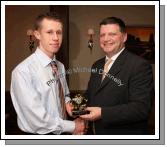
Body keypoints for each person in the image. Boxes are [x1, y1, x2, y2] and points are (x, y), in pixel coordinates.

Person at [10, 12, 85, 135]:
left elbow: (64, 94)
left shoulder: (59, 66)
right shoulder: (23, 72)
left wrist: (68, 104)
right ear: (37, 34)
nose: (56, 38)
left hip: (61, 131)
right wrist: (73, 126)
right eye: (49, 32)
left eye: (59, 32)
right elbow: (35, 119)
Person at [80, 17, 154, 135]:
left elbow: (141, 108)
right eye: (102, 35)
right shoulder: (97, 65)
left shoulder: (139, 65)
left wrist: (102, 113)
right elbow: (90, 94)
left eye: (112, 34)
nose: (106, 39)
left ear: (124, 37)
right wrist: (74, 105)